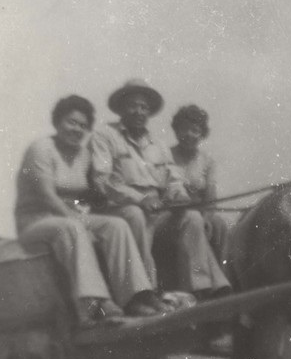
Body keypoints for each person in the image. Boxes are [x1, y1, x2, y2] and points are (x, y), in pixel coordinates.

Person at [15, 95, 167, 329]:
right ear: (57, 122)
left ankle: (135, 297)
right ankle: (95, 304)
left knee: (116, 225)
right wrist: (76, 219)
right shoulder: (41, 149)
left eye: (83, 126)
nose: (77, 129)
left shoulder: (83, 155)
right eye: (71, 122)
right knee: (72, 227)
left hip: (69, 219)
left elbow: (95, 191)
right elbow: (47, 195)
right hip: (36, 222)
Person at [90, 79, 231, 299]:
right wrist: (139, 199)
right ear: (121, 108)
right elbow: (102, 180)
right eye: (133, 105)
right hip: (124, 207)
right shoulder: (104, 135)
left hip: (157, 209)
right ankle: (146, 292)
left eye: (144, 107)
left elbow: (173, 178)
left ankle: (201, 288)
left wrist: (180, 197)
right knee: (137, 216)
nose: (139, 111)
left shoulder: (158, 144)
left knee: (192, 217)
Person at [169, 104, 229, 266]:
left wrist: (207, 219)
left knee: (219, 224)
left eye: (195, 130)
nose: (189, 135)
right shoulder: (166, 155)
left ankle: (223, 274)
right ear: (176, 131)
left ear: (202, 134)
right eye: (184, 129)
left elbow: (211, 197)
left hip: (200, 213)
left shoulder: (208, 161)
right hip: (172, 213)